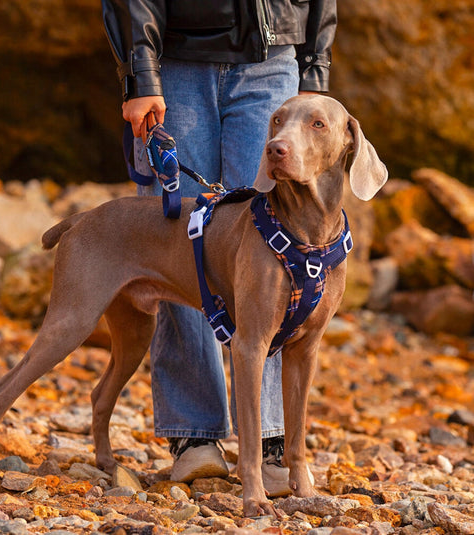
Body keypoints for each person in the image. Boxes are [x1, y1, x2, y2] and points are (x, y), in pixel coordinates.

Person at [101, 0, 337, 496]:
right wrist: (142, 74)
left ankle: (272, 440)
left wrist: (316, 66)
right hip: (177, 63)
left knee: (280, 247)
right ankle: (194, 435)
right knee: (179, 247)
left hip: (273, 61)